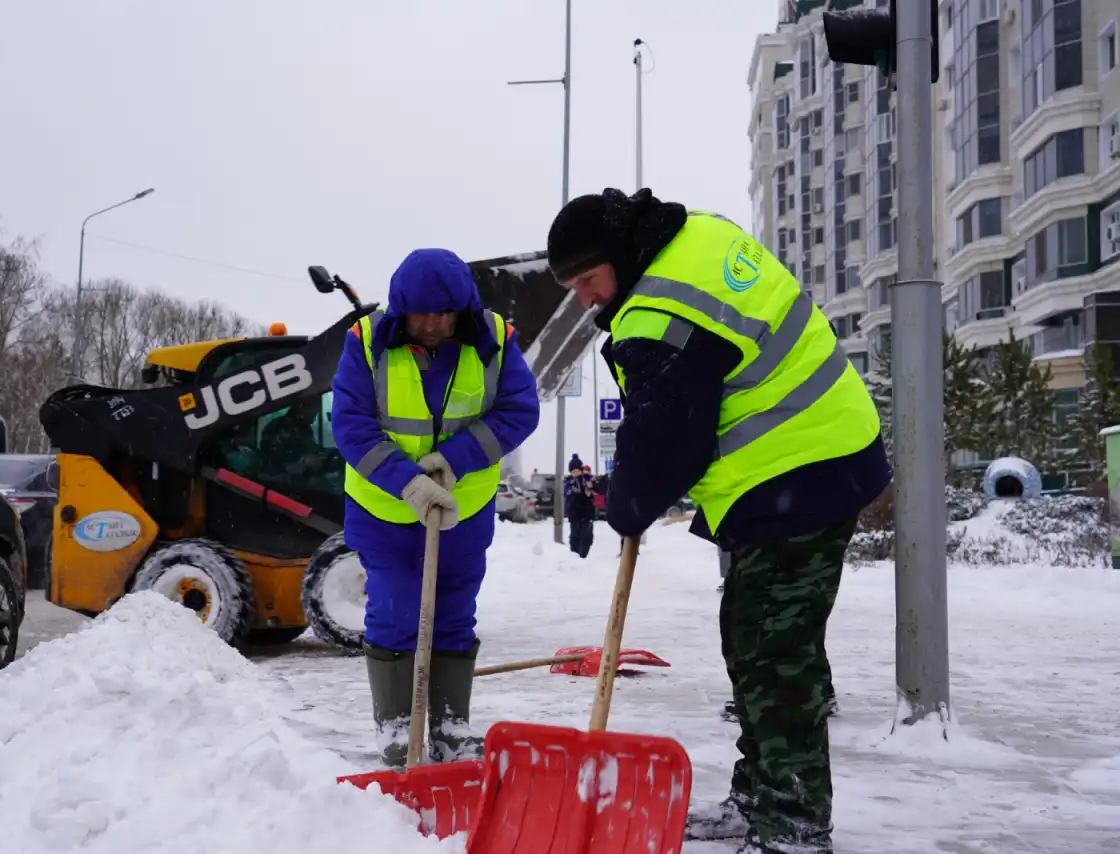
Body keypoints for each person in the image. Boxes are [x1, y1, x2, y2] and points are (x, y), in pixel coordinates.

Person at [545, 188, 891, 854]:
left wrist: (627, 506)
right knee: (752, 636)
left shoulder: (656, 313)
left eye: (588, 281)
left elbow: (671, 438)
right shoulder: (694, 236)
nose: (587, 300)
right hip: (813, 454)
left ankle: (792, 824)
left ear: (617, 256)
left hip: (801, 468)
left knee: (774, 654)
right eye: (575, 288)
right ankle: (762, 797)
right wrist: (635, 491)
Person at [329, 247, 540, 768]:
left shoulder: (494, 340)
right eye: (420, 314)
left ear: (461, 309)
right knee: (397, 610)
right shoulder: (366, 342)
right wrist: (409, 482)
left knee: (453, 614)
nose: (431, 324)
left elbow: (520, 410)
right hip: (386, 508)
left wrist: (456, 459)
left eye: (443, 313)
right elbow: (351, 425)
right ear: (400, 310)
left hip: (463, 509)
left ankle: (449, 725)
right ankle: (398, 726)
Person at [564, 454, 596, 557]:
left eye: (577, 471)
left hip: (587, 512)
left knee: (586, 535)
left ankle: (583, 554)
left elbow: (594, 487)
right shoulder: (569, 481)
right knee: (575, 535)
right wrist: (572, 493)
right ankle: (574, 554)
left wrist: (590, 489)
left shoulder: (586, 478)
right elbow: (567, 492)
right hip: (575, 513)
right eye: (573, 472)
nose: (576, 473)